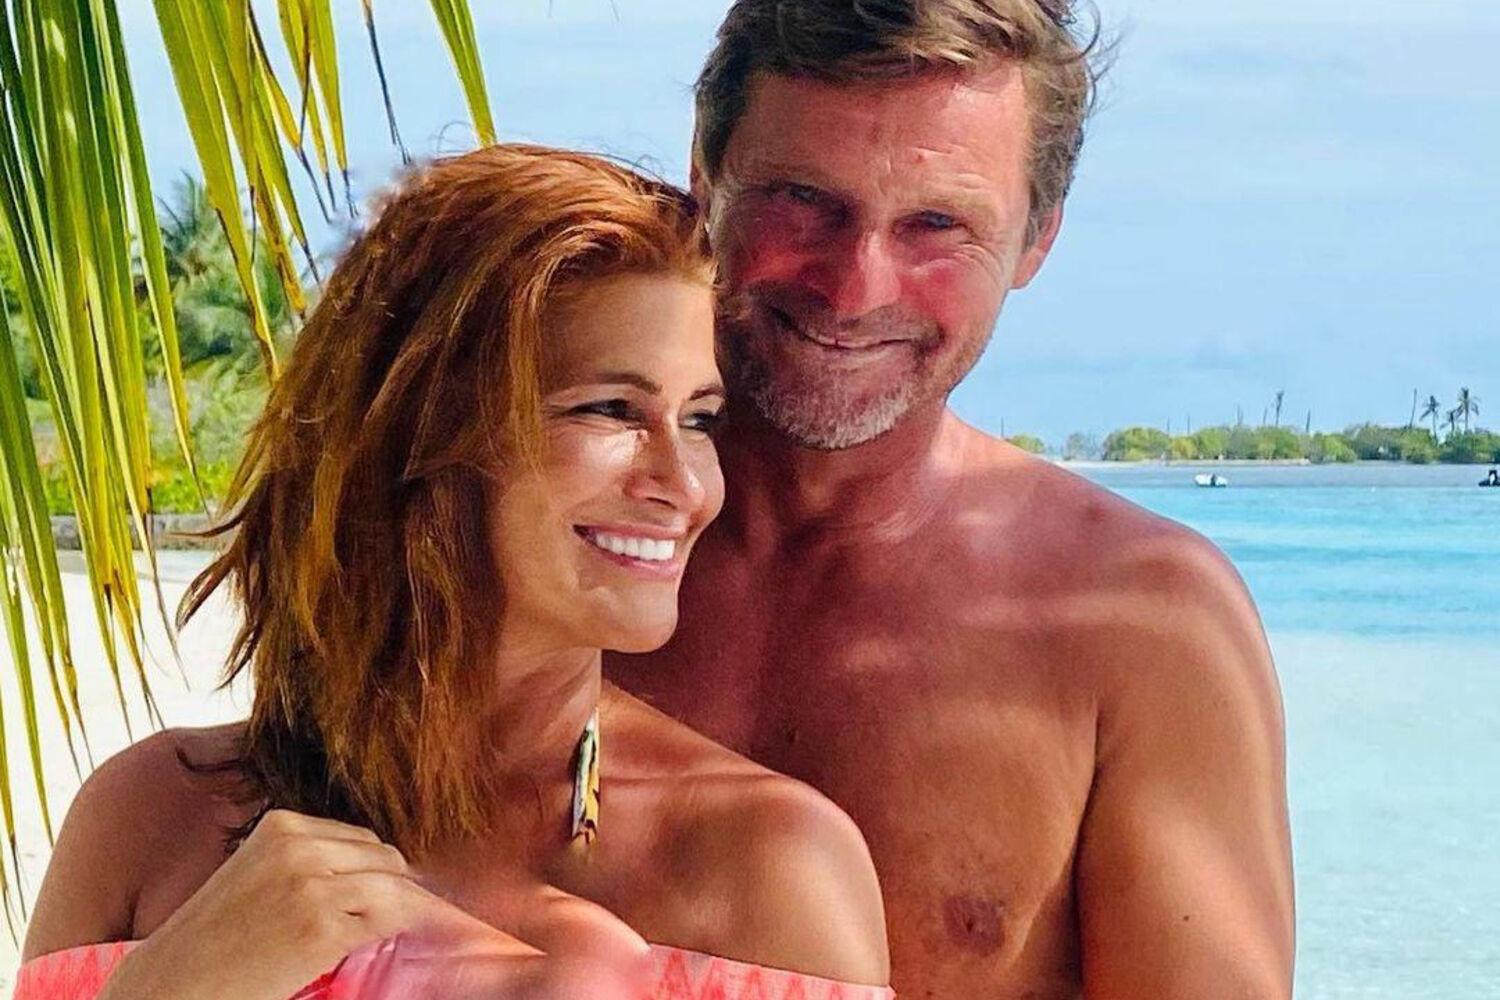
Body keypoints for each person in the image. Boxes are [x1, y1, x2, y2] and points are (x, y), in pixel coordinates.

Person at [18, 145, 890, 1000]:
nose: (687, 486)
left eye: (699, 420)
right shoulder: (152, 820)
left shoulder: (769, 868)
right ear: (422, 432)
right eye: (611, 409)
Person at [606, 2, 1296, 997]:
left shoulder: (1140, 623)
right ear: (706, 179)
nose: (854, 287)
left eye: (937, 224)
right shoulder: (519, 541)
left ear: (1036, 240)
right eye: (805, 199)